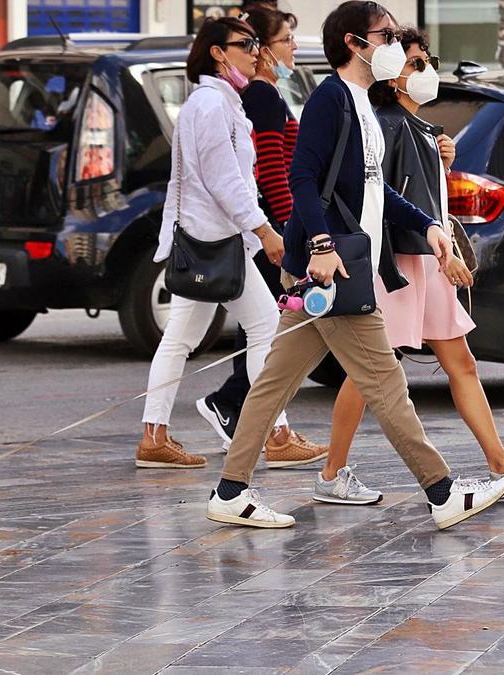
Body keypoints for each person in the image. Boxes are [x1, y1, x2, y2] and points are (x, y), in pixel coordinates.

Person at [205, 0, 504, 529]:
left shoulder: (362, 103)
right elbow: (303, 176)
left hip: (339, 265)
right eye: (386, 34)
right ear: (354, 42)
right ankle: (442, 492)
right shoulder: (331, 99)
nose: (394, 44)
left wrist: (430, 224)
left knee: (274, 384)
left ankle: (230, 491)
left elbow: (376, 188)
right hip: (335, 268)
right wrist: (322, 246)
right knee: (386, 383)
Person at [316, 27, 504, 505]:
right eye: (415, 63)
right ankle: (330, 473)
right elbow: (376, 202)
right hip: (399, 265)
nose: (426, 71)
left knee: (459, 364)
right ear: (392, 74)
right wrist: (432, 251)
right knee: (370, 374)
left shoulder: (418, 128)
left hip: (427, 263)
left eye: (427, 60)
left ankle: (501, 463)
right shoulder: (385, 125)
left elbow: (420, 197)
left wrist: (440, 165)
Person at [135, 17, 289, 469]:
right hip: (216, 240)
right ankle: (273, 434)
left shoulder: (223, 102)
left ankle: (155, 436)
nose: (255, 52)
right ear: (218, 52)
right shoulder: (210, 105)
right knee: (265, 327)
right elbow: (224, 181)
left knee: (181, 337)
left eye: (257, 43)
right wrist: (263, 229)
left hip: (213, 239)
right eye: (245, 44)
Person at [195, 6, 328, 469]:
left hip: (270, 226)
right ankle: (246, 414)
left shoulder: (266, 94)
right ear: (266, 50)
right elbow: (269, 169)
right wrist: (292, 229)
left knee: (262, 327)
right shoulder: (263, 98)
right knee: (268, 329)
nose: (294, 48)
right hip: (272, 228)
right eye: (287, 40)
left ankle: (238, 410)